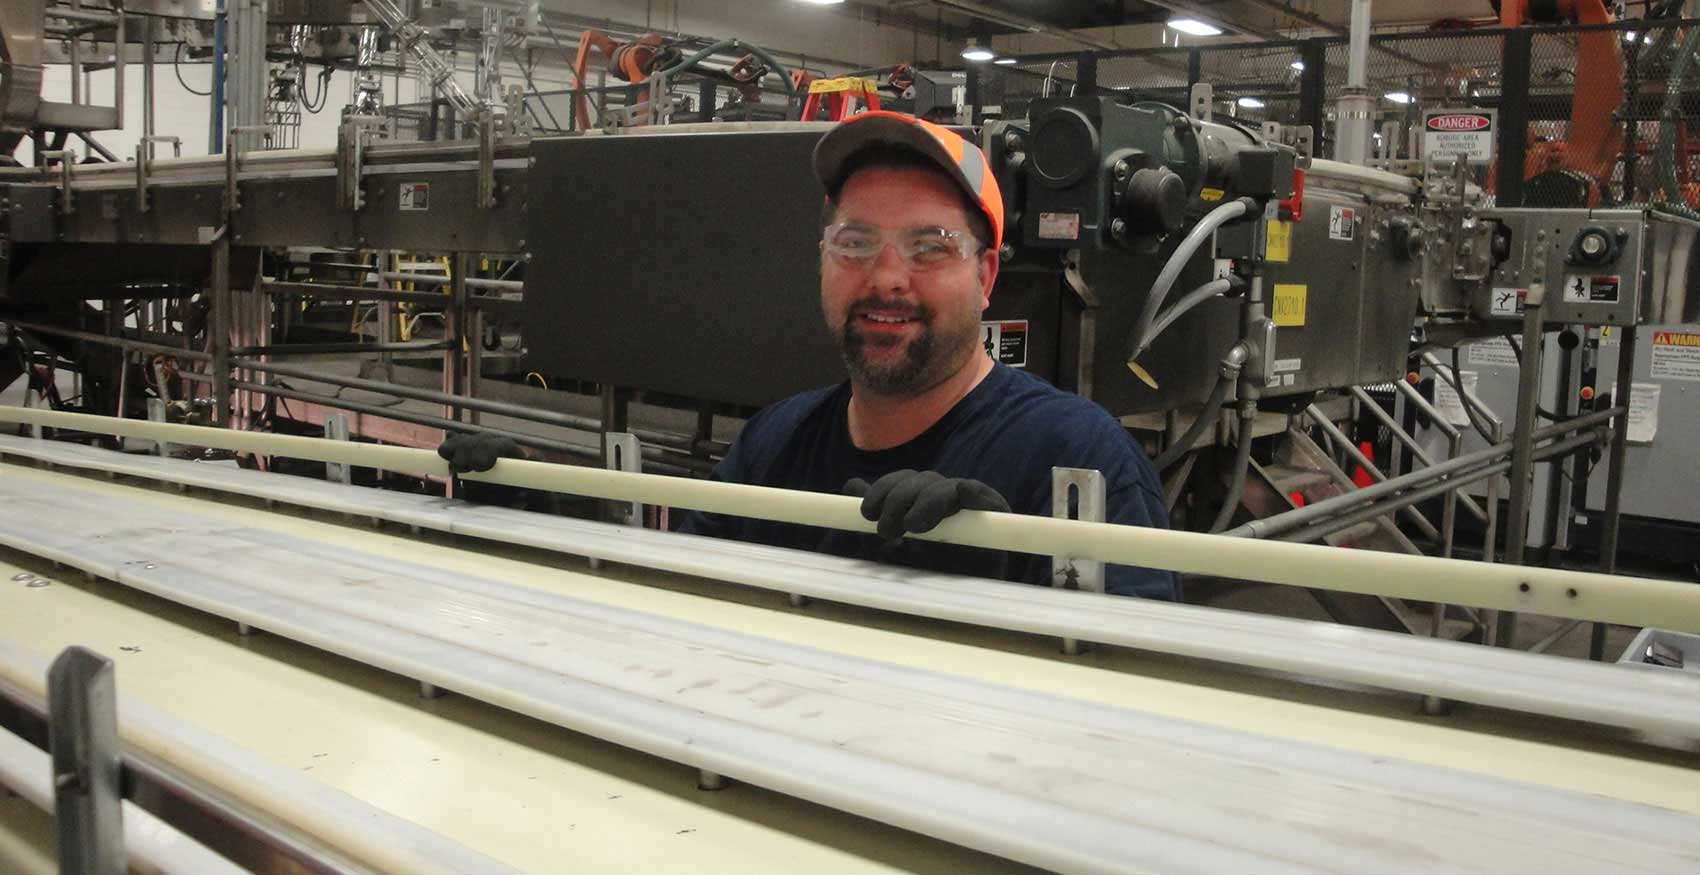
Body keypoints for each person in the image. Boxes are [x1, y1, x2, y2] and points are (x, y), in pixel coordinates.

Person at [441, 111, 1178, 600]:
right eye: (856, 244)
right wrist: (558, 530)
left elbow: (1151, 699)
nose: (887, 277)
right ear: (823, 263)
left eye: (930, 247)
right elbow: (684, 610)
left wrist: (988, 587)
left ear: (985, 277)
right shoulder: (775, 442)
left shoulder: (1074, 460)